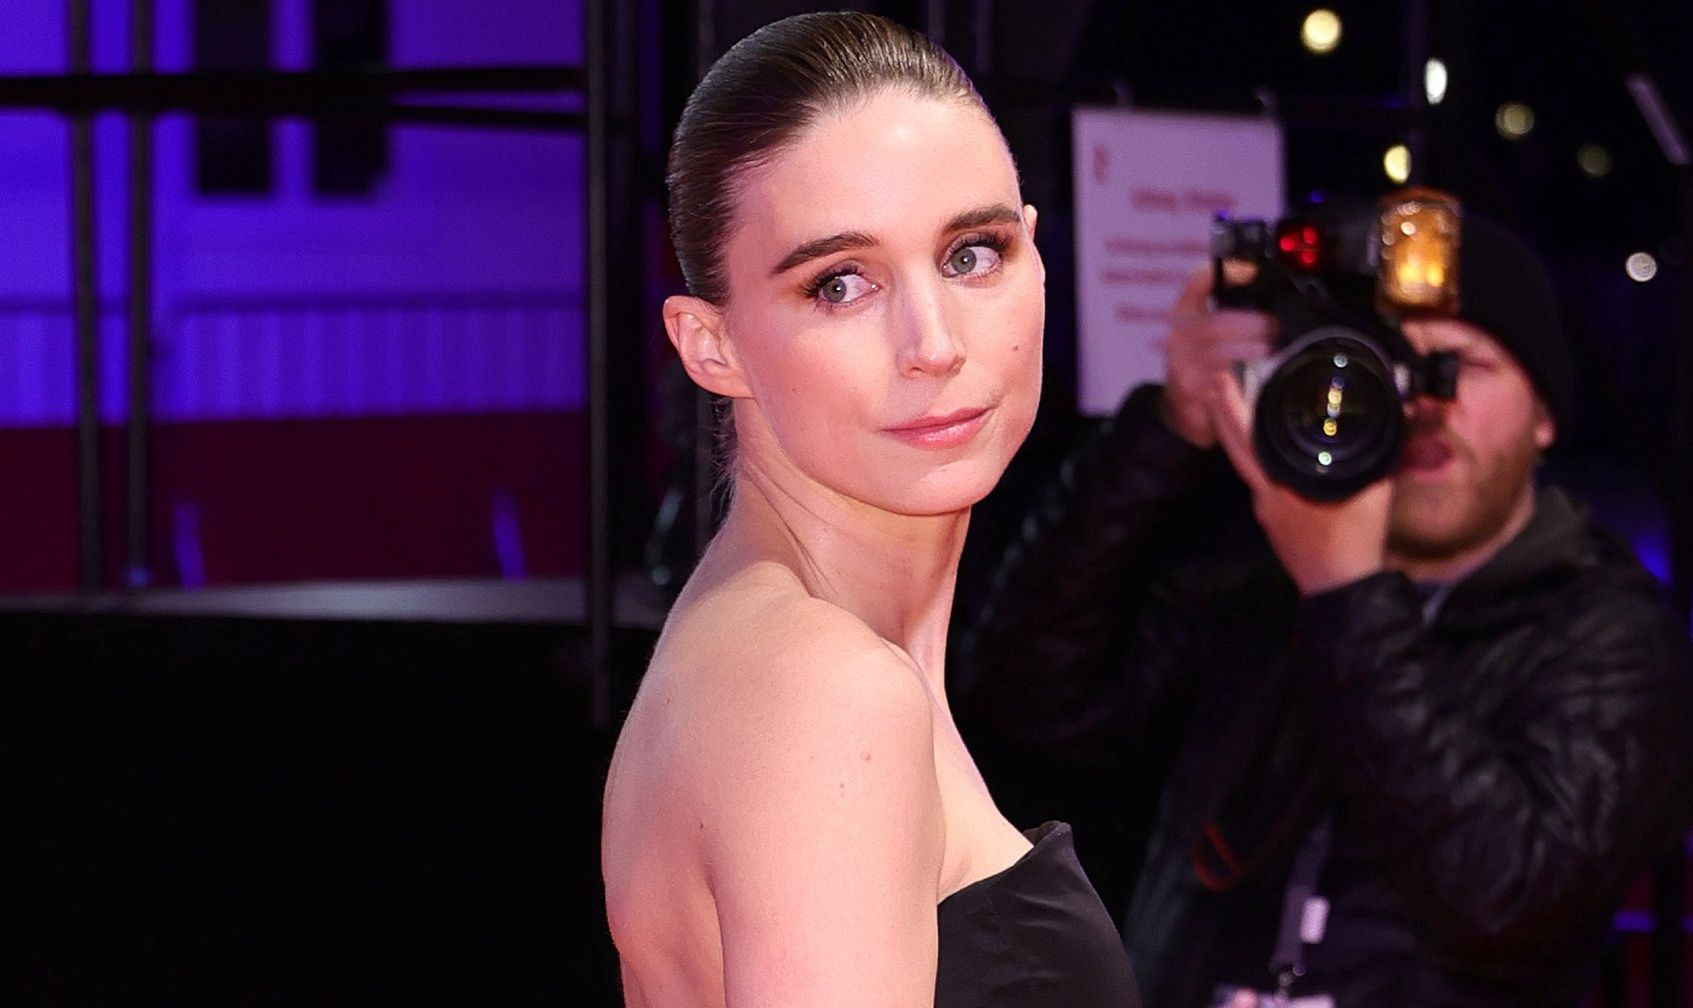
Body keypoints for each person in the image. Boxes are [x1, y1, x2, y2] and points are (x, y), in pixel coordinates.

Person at [955, 204, 1693, 1007]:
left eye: (1462, 366)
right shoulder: (1260, 576)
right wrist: (1165, 434)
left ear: (1546, 414)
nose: (1422, 402)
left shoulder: (1609, 631)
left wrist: (1346, 595)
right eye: (1389, 365)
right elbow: (1025, 700)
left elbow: (1510, 901)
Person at [600, 13, 1139, 1008]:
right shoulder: (824, 692)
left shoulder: (764, 647)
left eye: (972, 255)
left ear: (1036, 255)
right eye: (840, 283)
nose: (931, 342)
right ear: (708, 345)